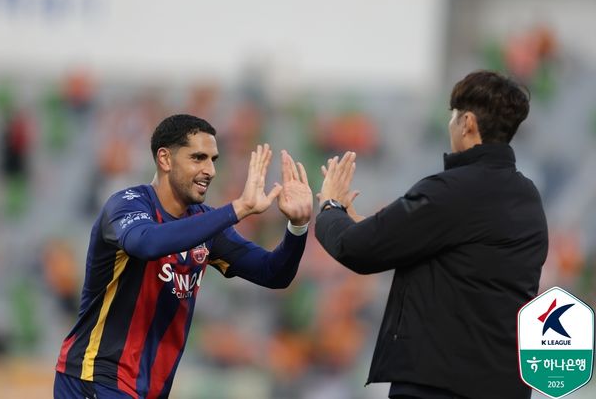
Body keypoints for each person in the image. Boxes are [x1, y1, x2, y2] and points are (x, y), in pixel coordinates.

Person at [314, 70, 548, 399]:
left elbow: (357, 249)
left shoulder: (450, 191)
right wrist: (365, 224)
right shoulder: (527, 196)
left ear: (467, 123)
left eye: (453, 116)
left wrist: (330, 207)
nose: (450, 125)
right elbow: (458, 252)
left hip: (440, 384)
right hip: (504, 385)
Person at [54, 114, 312, 398]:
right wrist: (237, 209)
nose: (210, 170)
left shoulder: (206, 223)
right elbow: (147, 243)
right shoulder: (126, 205)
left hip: (146, 388)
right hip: (95, 375)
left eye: (213, 160)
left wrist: (297, 226)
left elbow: (274, 274)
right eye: (198, 158)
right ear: (165, 159)